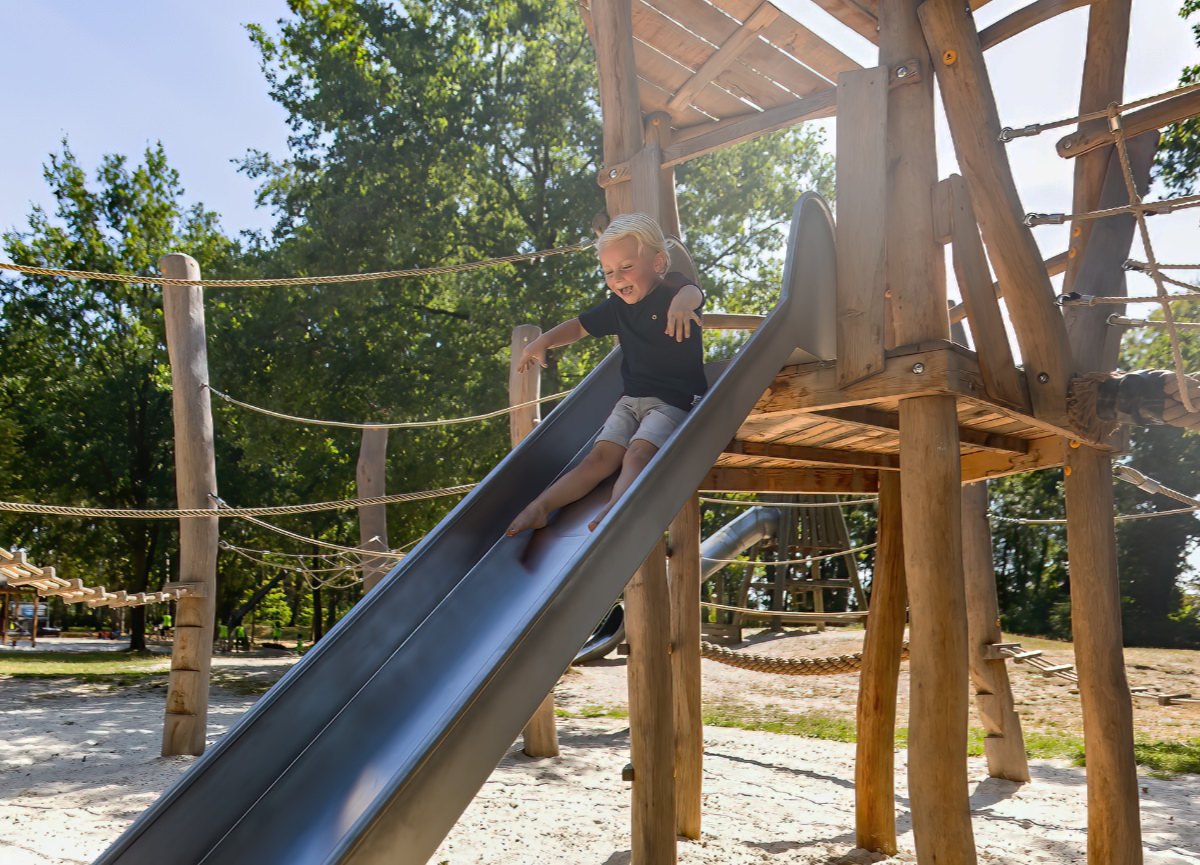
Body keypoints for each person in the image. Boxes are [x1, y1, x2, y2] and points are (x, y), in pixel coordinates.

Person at [507, 213, 706, 536]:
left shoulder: (673, 289)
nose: (617, 278)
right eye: (609, 271)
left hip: (673, 401)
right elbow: (579, 326)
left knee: (638, 453)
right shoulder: (617, 306)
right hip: (630, 400)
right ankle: (541, 507)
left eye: (627, 267)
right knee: (598, 459)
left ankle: (616, 504)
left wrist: (683, 304)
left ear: (657, 263)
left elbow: (692, 292)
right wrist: (545, 341)